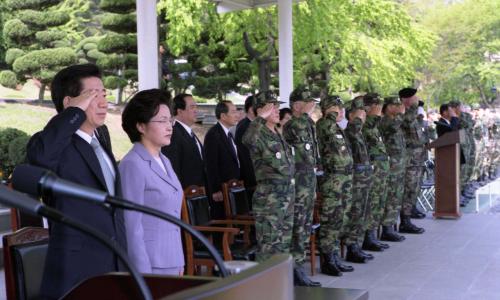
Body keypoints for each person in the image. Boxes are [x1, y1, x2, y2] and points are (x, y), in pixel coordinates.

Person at [26, 64, 126, 299]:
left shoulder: (101, 137)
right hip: (76, 270)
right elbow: (40, 157)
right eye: (92, 95)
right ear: (70, 102)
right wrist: (73, 113)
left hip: (113, 261)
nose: (103, 102)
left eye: (104, 94)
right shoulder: (52, 144)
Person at [242, 91, 319, 287]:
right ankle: (264, 288)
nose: (276, 110)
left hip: (287, 196)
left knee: (284, 244)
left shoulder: (277, 132)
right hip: (270, 199)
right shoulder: (258, 133)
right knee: (269, 245)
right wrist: (260, 117)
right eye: (271, 106)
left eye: (277, 106)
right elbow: (247, 140)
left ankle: (280, 285)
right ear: (260, 110)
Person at [119, 89, 184, 275]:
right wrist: (142, 272)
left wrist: (178, 261)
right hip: (151, 265)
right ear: (141, 126)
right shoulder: (133, 164)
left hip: (172, 259)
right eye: (162, 121)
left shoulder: (164, 160)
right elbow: (132, 226)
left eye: (170, 120)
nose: (170, 126)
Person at [282, 85, 320, 283]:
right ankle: (294, 269)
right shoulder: (293, 125)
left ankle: (299, 265)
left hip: (308, 181)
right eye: (307, 102)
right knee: (297, 225)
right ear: (297, 106)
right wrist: (305, 115)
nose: (312, 106)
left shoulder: (307, 124)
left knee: (305, 225)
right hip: (297, 183)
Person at [316, 95, 355, 275]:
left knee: (341, 218)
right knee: (330, 219)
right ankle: (327, 259)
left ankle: (335, 256)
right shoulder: (323, 124)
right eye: (337, 108)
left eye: (341, 108)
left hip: (344, 180)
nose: (341, 111)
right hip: (332, 181)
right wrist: (331, 112)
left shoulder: (338, 128)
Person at [343, 96, 374, 263]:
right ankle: (351, 247)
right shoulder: (350, 131)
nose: (363, 116)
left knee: (363, 212)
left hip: (365, 178)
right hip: (356, 180)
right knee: (355, 213)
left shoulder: (360, 132)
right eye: (360, 113)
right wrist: (357, 121)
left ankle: (358, 244)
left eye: (364, 113)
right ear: (351, 116)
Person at [361, 93, 390, 252]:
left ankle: (373, 234)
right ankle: (368, 237)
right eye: (376, 105)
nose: (379, 108)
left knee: (378, 202)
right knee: (372, 203)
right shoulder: (366, 125)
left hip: (380, 170)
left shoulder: (374, 126)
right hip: (374, 171)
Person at [162, 94, 207, 192]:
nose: (196, 110)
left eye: (196, 106)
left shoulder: (188, 132)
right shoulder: (173, 134)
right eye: (192, 107)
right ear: (180, 111)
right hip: (186, 196)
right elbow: (174, 169)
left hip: (198, 194)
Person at [204, 100, 241, 219]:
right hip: (221, 190)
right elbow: (211, 164)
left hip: (232, 187)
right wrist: (215, 189)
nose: (237, 115)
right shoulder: (213, 134)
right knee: (223, 220)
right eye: (234, 112)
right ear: (223, 116)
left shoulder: (229, 134)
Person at [379, 96, 407, 242]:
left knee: (396, 196)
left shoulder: (395, 121)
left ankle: (391, 225)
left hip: (399, 165)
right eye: (396, 105)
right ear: (388, 107)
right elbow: (392, 127)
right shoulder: (385, 122)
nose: (399, 107)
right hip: (391, 166)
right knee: (391, 196)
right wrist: (401, 114)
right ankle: (387, 228)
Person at [399, 87, 425, 233]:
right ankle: (405, 222)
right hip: (409, 161)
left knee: (412, 190)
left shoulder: (413, 114)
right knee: (408, 191)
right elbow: (408, 123)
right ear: (407, 99)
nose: (417, 98)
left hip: (417, 159)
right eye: (414, 97)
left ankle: (408, 218)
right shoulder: (404, 113)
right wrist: (415, 107)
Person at [235, 95, 257, 201]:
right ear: (251, 110)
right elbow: (246, 157)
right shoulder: (244, 126)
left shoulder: (254, 125)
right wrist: (253, 181)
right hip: (251, 182)